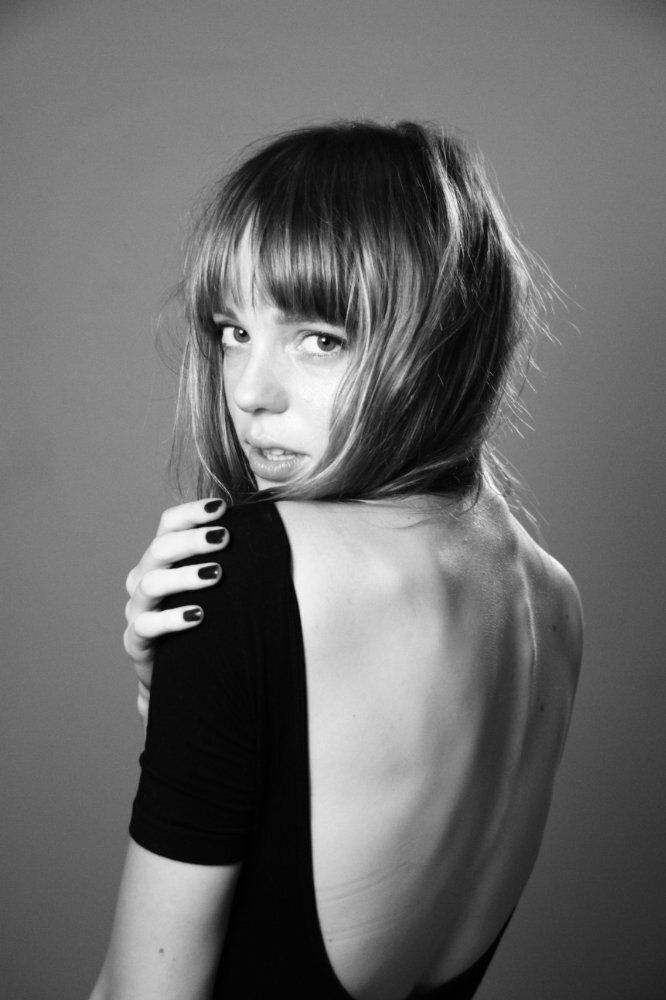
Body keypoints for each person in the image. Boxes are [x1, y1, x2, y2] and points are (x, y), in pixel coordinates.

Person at [90, 120, 583, 1000]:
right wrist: (183, 688)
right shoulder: (551, 601)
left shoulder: (248, 572)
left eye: (320, 338)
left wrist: (223, 639)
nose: (249, 392)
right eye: (233, 330)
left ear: (443, 341)